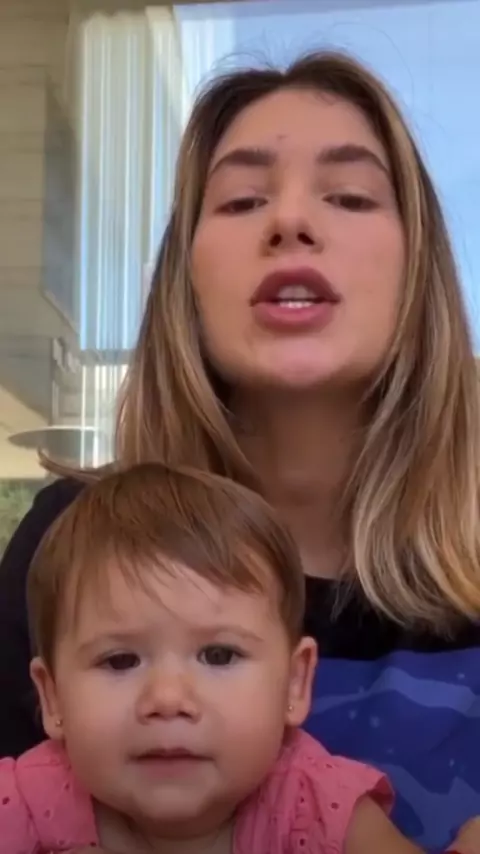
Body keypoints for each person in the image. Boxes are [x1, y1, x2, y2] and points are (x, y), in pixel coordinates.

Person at [0, 49, 479, 852]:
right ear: (184, 280)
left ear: (419, 266)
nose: (290, 222)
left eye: (350, 196)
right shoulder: (71, 540)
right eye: (242, 200)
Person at [1, 462, 478, 854]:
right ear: (53, 697)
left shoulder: (314, 804)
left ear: (294, 684)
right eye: (120, 661)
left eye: (218, 655)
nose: (167, 699)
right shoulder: (26, 799)